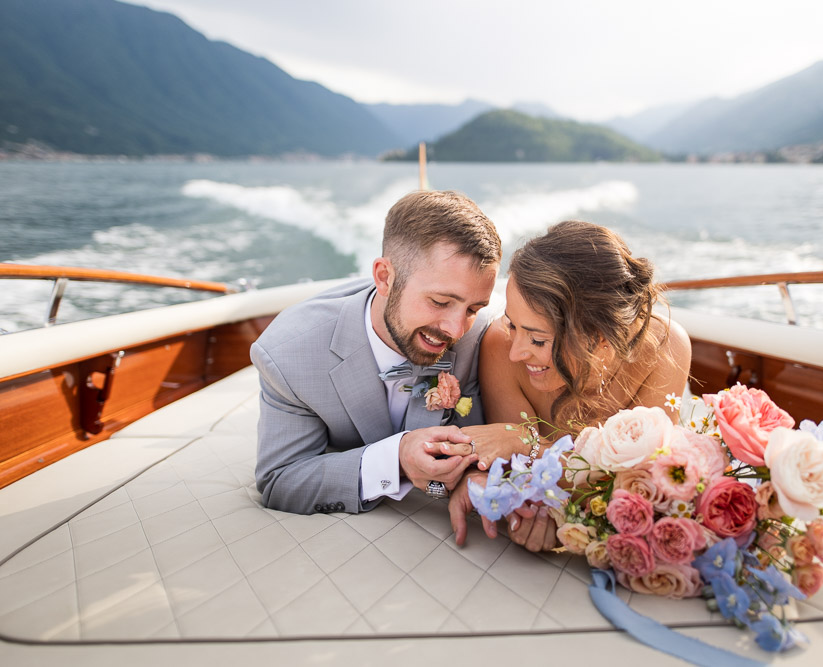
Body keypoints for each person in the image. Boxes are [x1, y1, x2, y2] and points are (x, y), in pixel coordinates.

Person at [252, 190, 501, 515]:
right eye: (440, 302)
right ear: (384, 278)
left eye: (473, 308)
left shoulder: (480, 336)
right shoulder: (289, 353)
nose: (456, 330)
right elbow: (280, 479)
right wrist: (395, 459)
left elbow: (484, 441)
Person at [449, 220, 692, 548]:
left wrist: (525, 442)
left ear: (600, 338)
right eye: (512, 323)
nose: (517, 351)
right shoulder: (500, 346)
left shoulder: (665, 348)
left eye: (536, 339)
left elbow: (638, 484)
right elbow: (519, 478)